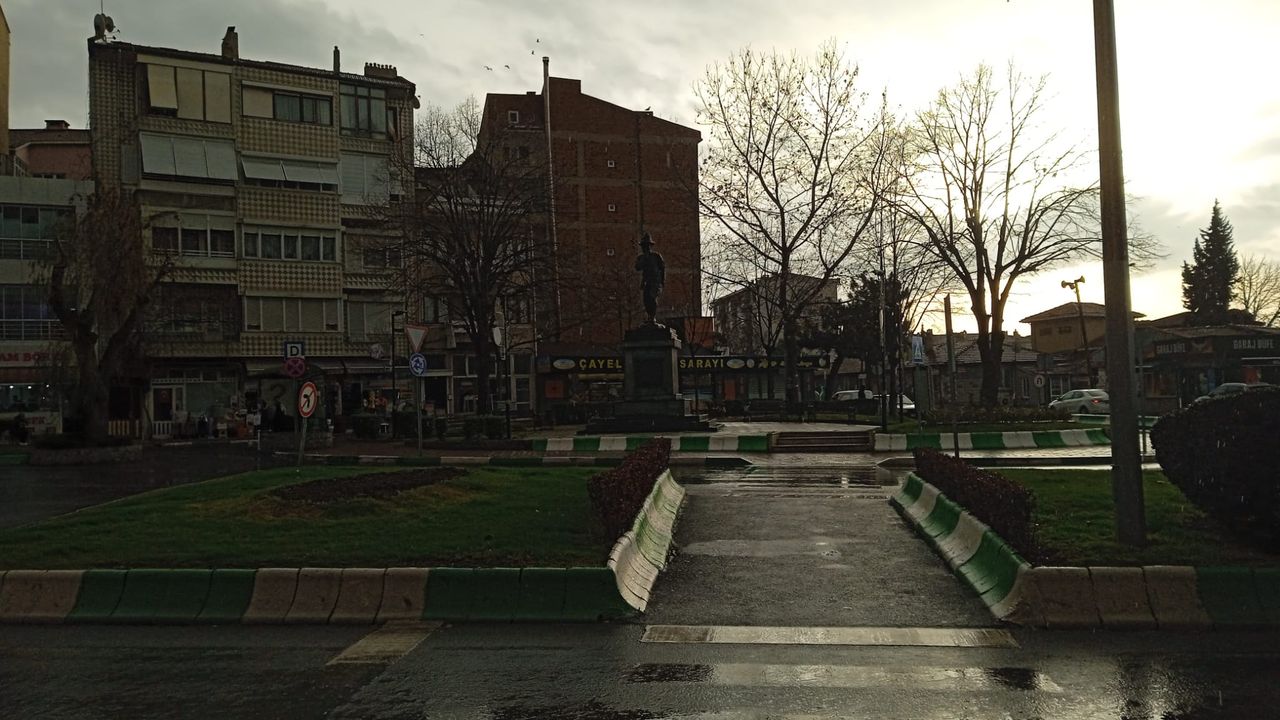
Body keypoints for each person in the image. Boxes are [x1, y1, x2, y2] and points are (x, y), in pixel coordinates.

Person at [634, 232, 665, 324]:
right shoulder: (641, 257)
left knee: (652, 298)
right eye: (644, 246)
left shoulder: (656, 256)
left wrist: (662, 282)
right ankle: (649, 316)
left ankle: (652, 317)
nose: (645, 248)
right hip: (647, 282)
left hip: (655, 282)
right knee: (646, 299)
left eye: (647, 246)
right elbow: (637, 267)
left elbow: (662, 268)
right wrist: (643, 259)